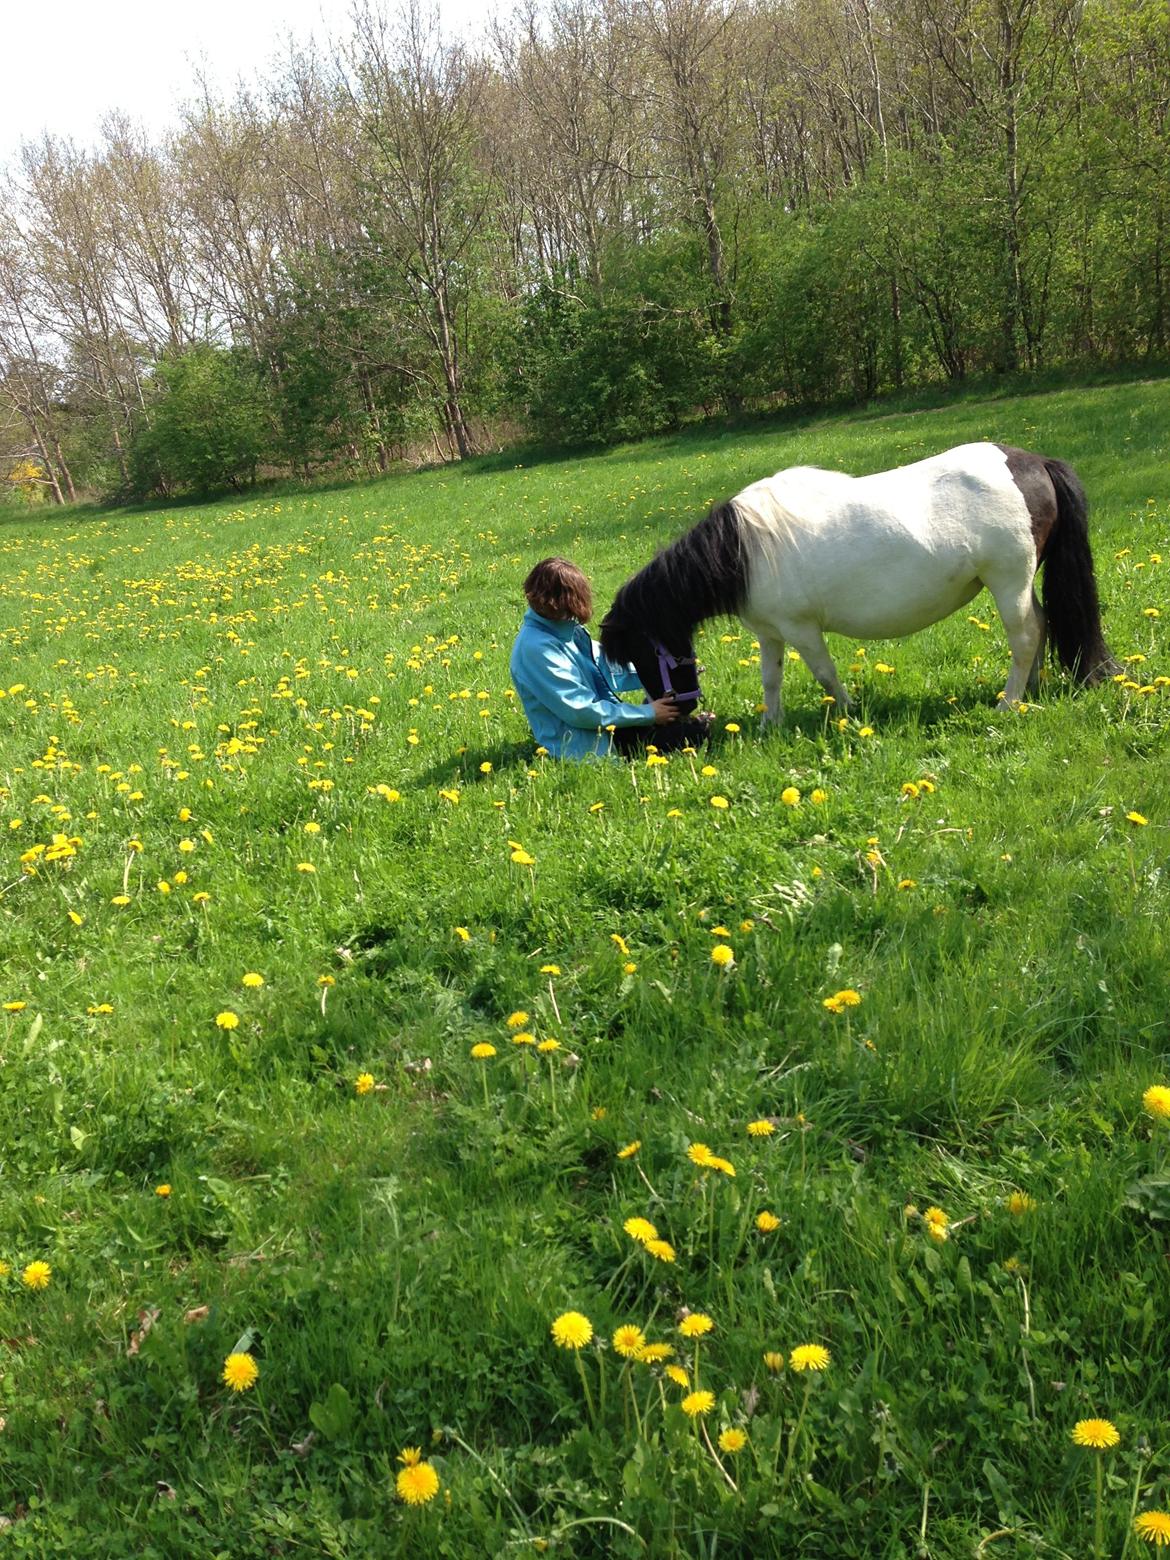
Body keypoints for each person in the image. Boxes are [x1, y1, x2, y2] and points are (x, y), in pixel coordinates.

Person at [510, 558, 712, 760]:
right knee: (692, 735)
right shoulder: (536, 649)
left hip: (606, 728)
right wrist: (649, 713)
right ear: (559, 605)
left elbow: (608, 668)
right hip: (584, 748)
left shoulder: (564, 630)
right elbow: (580, 710)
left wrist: (667, 673)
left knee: (674, 718)